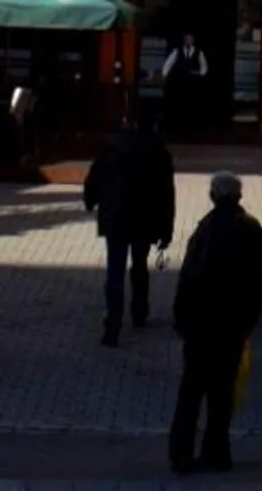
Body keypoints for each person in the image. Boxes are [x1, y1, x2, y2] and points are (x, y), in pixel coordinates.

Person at [171, 170, 262, 474]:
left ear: (213, 196)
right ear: (239, 196)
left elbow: (188, 277)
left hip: (201, 325)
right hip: (232, 326)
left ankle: (181, 454)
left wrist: (181, 318)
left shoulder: (206, 229)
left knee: (191, 392)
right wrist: (251, 319)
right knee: (222, 393)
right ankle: (217, 452)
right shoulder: (251, 229)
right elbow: (260, 278)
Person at [83, 107, 176, 346]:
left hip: (115, 216)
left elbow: (94, 177)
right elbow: (166, 194)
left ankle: (113, 322)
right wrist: (166, 230)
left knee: (115, 269)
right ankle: (139, 312)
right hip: (144, 218)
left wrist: (90, 200)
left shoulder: (111, 147)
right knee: (140, 265)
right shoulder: (158, 151)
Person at [161, 31, 210, 136]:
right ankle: (177, 125)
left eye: (190, 39)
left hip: (191, 82)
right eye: (186, 39)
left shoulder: (198, 52)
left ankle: (189, 126)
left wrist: (200, 74)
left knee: (190, 102)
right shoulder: (177, 50)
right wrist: (164, 74)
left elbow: (204, 65)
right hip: (179, 81)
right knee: (178, 102)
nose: (188, 41)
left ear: (193, 40)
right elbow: (169, 62)